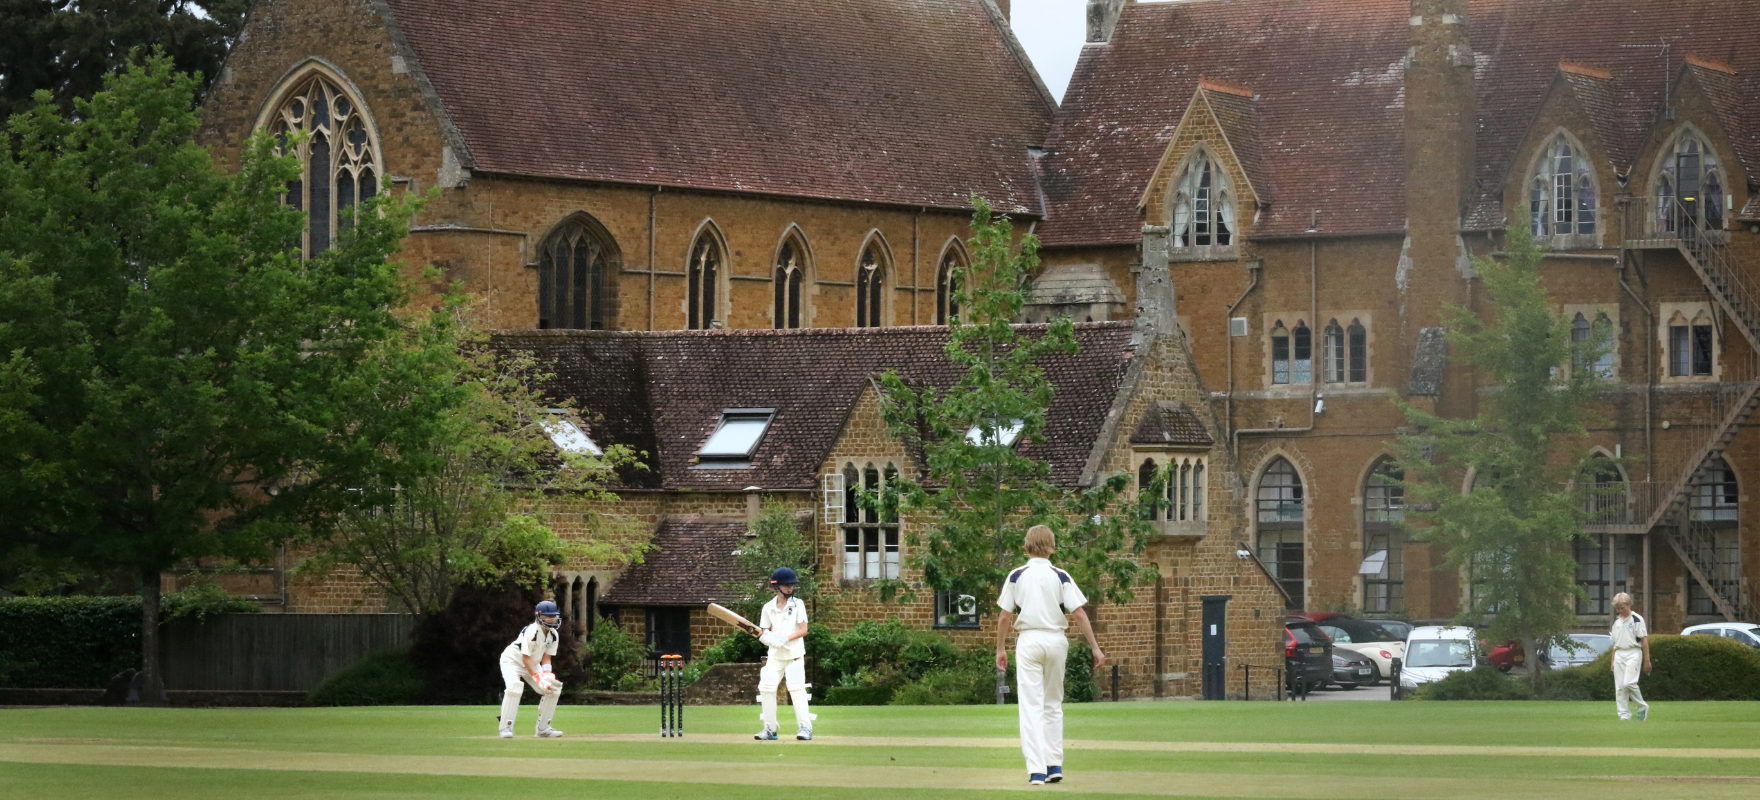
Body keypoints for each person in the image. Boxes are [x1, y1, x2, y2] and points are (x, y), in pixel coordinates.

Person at [995, 525, 1104, 786]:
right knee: (1053, 704)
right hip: (1056, 640)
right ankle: (1054, 765)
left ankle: (1037, 771)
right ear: (1052, 546)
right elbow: (1078, 613)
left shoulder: (1016, 575)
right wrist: (1095, 647)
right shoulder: (1061, 575)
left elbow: (1004, 616)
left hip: (1029, 640)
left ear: (1027, 546)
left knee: (1031, 706)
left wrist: (1000, 649)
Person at [754, 566, 815, 741]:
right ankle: (769, 729)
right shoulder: (768, 607)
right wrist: (768, 639)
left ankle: (805, 728)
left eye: (792, 585)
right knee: (766, 688)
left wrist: (784, 638)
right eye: (786, 585)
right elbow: (763, 632)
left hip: (794, 655)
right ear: (776, 586)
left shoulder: (798, 604)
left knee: (796, 689)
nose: (790, 588)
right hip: (775, 657)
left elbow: (803, 630)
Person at [497, 600, 566, 738]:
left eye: (554, 616)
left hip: (532, 663)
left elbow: (547, 657)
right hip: (512, 661)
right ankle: (506, 728)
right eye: (548, 616)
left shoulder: (553, 635)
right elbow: (525, 658)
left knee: (553, 689)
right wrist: (537, 677)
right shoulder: (532, 631)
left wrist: (547, 676)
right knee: (515, 687)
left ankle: (543, 729)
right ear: (539, 616)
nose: (552, 619)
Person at [1609, 591, 1651, 721]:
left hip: (1633, 652)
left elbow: (1643, 640)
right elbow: (1615, 644)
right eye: (1618, 608)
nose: (1620, 611)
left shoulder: (1637, 619)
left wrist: (1647, 660)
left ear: (1629, 605)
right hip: (1619, 654)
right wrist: (1612, 660)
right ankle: (1624, 715)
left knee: (1629, 683)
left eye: (1622, 608)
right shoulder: (1617, 623)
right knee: (1620, 687)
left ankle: (1642, 706)